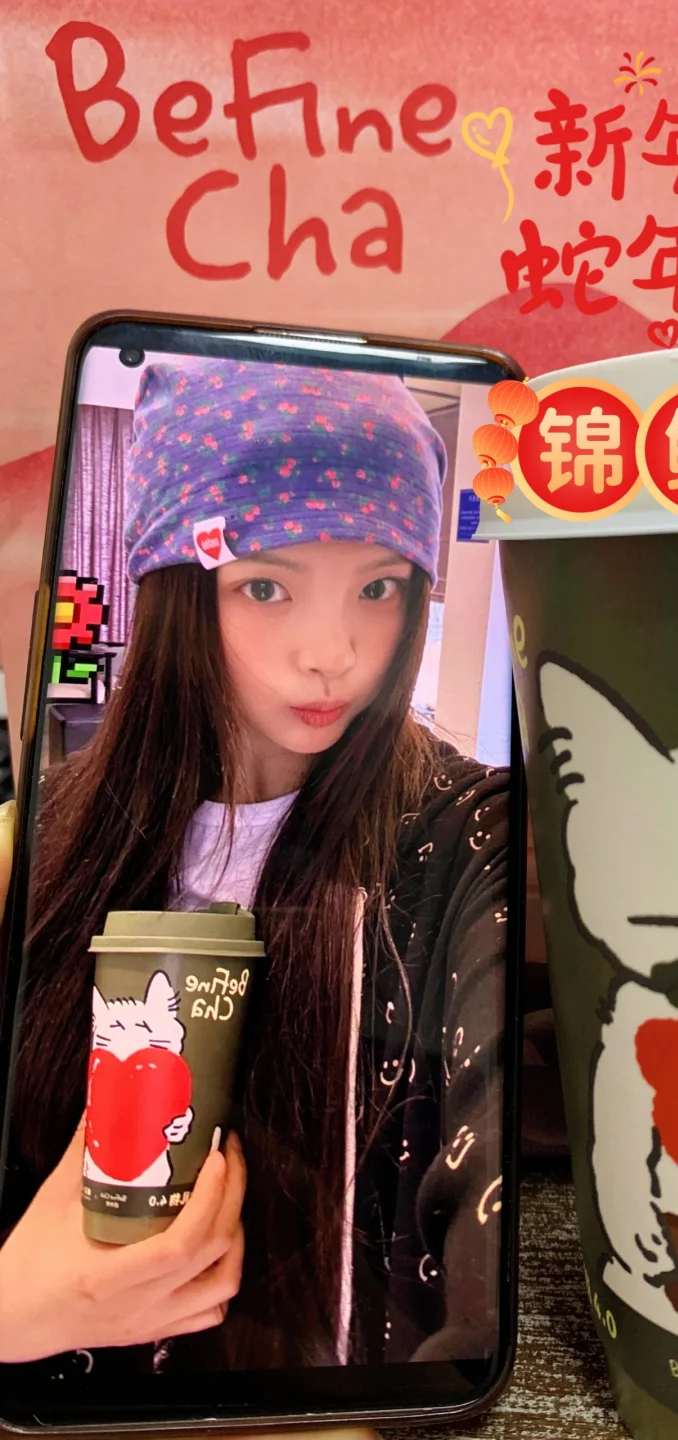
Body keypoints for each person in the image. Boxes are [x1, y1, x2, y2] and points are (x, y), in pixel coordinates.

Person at [0, 359, 509, 1377]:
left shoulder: (466, 840)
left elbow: (482, 1255)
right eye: (265, 586)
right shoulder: (46, 840)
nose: (333, 652)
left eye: (379, 586)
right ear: (179, 592)